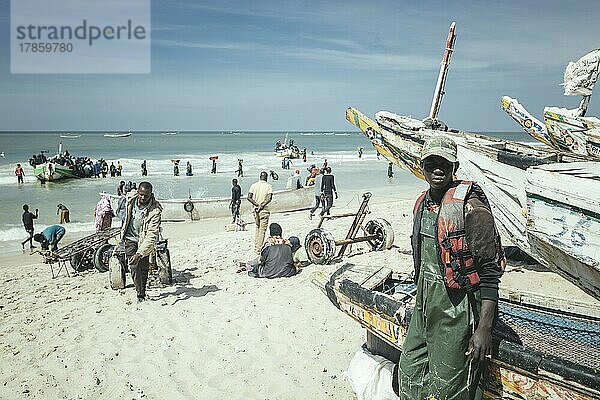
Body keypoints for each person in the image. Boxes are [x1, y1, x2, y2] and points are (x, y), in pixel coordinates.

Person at [398, 136, 505, 400]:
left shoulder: (471, 209)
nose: (437, 169)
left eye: (443, 163)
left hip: (457, 310)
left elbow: (490, 272)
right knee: (409, 373)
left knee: (450, 388)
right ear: (421, 166)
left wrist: (483, 329)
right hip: (424, 305)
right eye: (431, 162)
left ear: (454, 165)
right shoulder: (422, 204)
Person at [120, 181, 162, 302]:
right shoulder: (131, 199)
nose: (142, 197)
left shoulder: (155, 211)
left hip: (143, 241)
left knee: (143, 267)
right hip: (129, 238)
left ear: (151, 194)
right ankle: (140, 294)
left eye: (146, 195)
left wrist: (140, 253)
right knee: (133, 265)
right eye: (141, 194)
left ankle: (142, 290)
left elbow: (152, 235)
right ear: (138, 192)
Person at [247, 171, 273, 254]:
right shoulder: (269, 186)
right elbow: (269, 198)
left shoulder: (253, 186)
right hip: (264, 210)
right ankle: (259, 249)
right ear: (266, 177)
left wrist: (256, 205)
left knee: (257, 228)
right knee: (262, 230)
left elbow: (249, 197)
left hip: (255, 210)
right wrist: (261, 206)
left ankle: (256, 246)